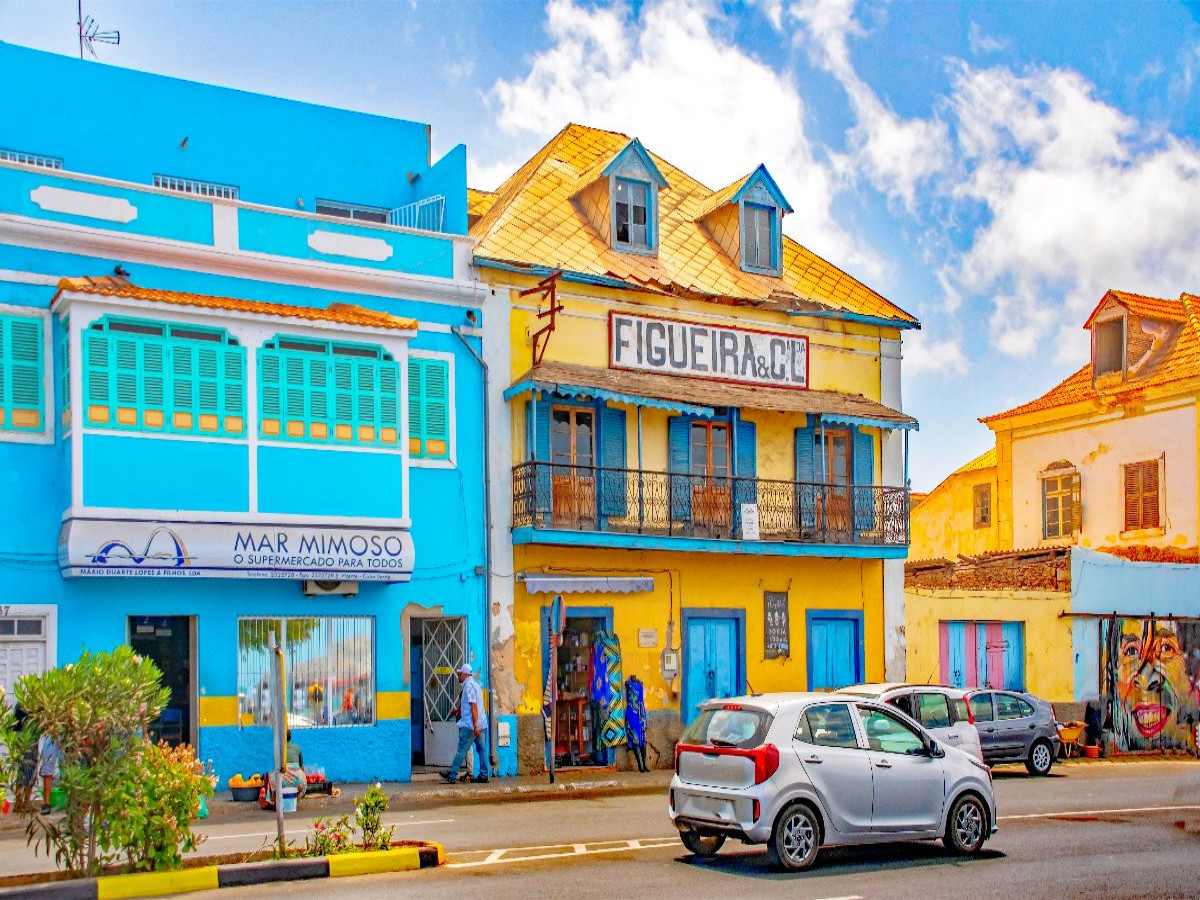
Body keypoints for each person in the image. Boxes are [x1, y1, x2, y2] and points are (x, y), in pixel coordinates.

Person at [441, 664, 490, 784]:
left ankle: (452, 775)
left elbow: (473, 707)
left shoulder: (468, 686)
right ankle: (484, 775)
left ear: (465, 675)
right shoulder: (476, 685)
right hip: (481, 723)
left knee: (462, 749)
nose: (459, 675)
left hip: (470, 725)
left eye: (460, 674)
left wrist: (474, 726)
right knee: (482, 749)